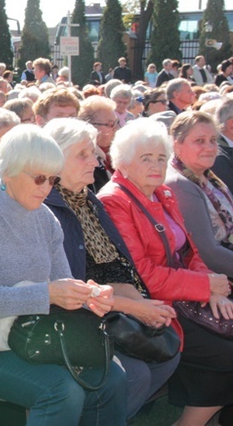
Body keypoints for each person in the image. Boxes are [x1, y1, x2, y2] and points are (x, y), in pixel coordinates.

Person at [0, 124, 126, 425]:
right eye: (39, 177)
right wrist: (47, 294)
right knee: (61, 390)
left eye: (52, 179)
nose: (46, 187)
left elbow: (62, 285)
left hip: (26, 333)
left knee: (112, 377)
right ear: (8, 172)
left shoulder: (45, 219)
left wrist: (88, 297)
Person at [98, 117, 233, 426]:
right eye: (146, 158)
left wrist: (210, 288)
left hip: (185, 296)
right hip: (153, 308)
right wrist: (205, 287)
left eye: (161, 157)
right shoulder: (115, 200)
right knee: (226, 353)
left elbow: (190, 253)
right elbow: (144, 274)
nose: (157, 165)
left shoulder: (162, 194)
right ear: (124, 162)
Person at [43, 118, 180, 420]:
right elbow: (69, 287)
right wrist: (133, 307)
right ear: (55, 157)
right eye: (84, 154)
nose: (96, 160)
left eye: (93, 152)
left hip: (105, 312)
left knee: (167, 351)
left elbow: (116, 268)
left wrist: (145, 306)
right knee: (133, 374)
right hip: (67, 320)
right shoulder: (46, 207)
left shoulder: (89, 201)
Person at [165, 111, 233, 278]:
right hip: (217, 280)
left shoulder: (207, 176)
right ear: (177, 145)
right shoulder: (180, 184)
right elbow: (208, 253)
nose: (210, 148)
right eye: (199, 141)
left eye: (213, 140)